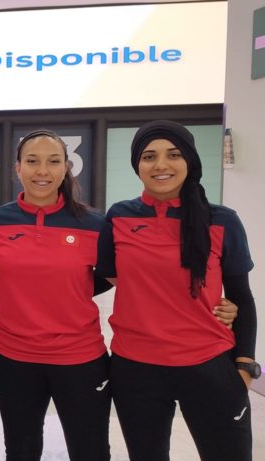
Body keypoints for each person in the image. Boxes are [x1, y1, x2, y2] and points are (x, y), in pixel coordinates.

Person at [97, 120, 258, 461]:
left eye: (173, 154)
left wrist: (245, 366)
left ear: (189, 160)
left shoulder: (222, 220)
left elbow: (242, 298)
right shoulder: (119, 217)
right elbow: (110, 275)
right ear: (137, 165)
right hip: (136, 368)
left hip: (209, 365)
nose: (161, 165)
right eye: (149, 156)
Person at [0, 130, 110, 461]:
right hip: (15, 359)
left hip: (80, 358)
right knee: (21, 451)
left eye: (53, 161)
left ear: (66, 167)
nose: (42, 171)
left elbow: (116, 277)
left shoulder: (94, 223)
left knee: (91, 452)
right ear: (18, 168)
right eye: (32, 161)